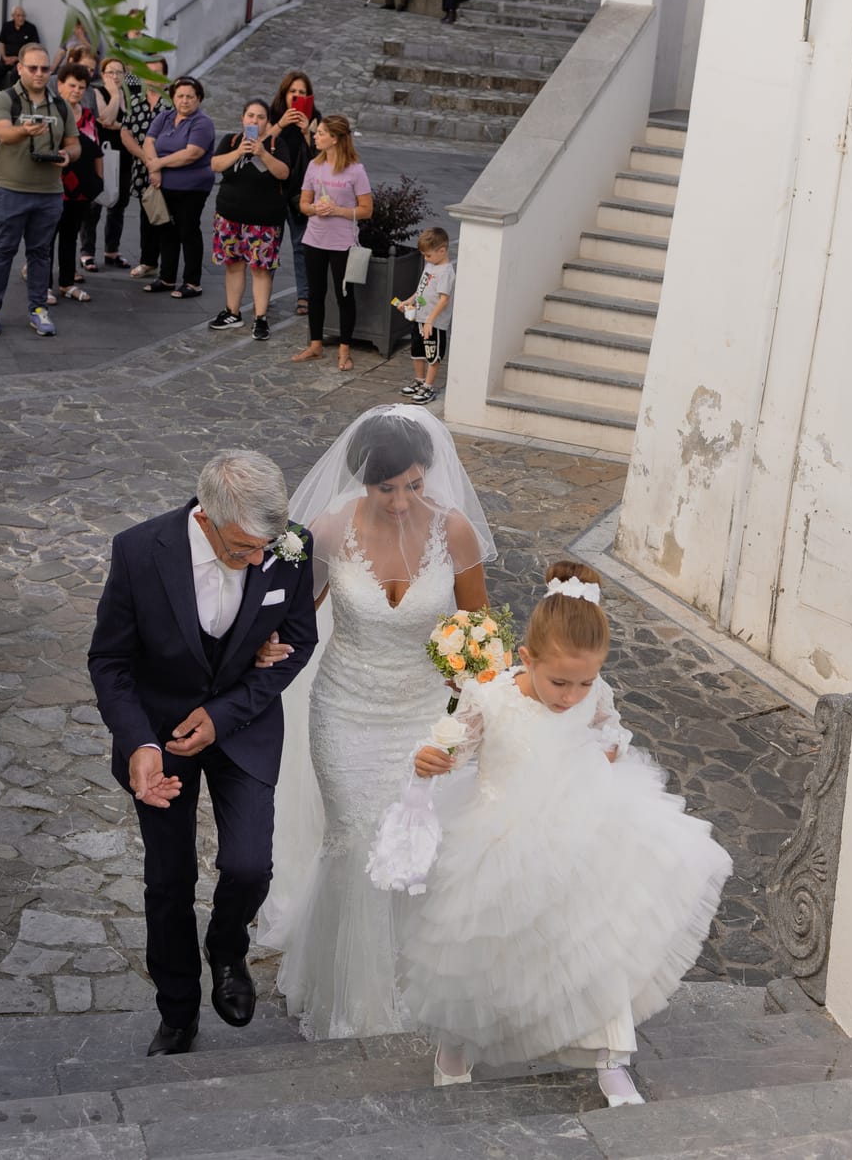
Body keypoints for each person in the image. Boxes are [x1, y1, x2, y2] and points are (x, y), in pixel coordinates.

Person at [402, 562, 732, 1105]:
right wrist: (431, 758)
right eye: (559, 682)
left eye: (584, 682)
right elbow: (454, 748)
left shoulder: (592, 693)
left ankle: (611, 1058)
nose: (571, 695)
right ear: (527, 658)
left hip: (577, 833)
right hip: (497, 838)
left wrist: (598, 755)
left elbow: (608, 733)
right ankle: (455, 1045)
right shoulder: (493, 696)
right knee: (479, 952)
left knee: (595, 942)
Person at [263, 407, 496, 1040]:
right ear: (362, 481)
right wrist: (263, 645)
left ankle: (415, 978)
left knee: (419, 839)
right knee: (360, 836)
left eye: (413, 485)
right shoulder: (328, 531)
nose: (400, 501)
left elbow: (476, 632)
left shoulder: (455, 533)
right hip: (344, 709)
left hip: (423, 712)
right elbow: (293, 615)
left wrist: (468, 705)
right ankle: (352, 996)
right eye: (386, 488)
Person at [88, 451, 319, 1057]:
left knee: (250, 866)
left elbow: (299, 641)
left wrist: (223, 715)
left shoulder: (289, 546)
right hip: (160, 735)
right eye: (243, 549)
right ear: (205, 519)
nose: (259, 560)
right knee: (169, 878)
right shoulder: (139, 552)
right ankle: (178, 1013)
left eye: (265, 548)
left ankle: (227, 946)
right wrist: (139, 743)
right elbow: (109, 661)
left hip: (243, 725)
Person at [0, 41, 77, 338]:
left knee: (40, 253)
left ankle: (38, 308)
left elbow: (74, 143)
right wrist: (25, 130)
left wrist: (69, 155)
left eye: (44, 68)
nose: (39, 73)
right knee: (2, 249)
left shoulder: (60, 104)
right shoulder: (4, 99)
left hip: (49, 190)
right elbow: (3, 133)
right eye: (32, 68)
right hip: (11, 187)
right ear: (20, 68)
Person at [206, 96, 302, 340]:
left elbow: (284, 173)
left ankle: (260, 318)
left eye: (260, 117)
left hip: (263, 220)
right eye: (250, 116)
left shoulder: (275, 144)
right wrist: (239, 151)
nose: (254, 121)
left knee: (260, 269)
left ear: (267, 122)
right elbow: (215, 165)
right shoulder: (231, 140)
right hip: (229, 215)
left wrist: (263, 153)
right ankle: (232, 312)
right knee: (233, 265)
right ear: (243, 118)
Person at [291, 115, 372, 370]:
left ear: (334, 138)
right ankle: (315, 345)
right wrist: (314, 209)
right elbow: (303, 204)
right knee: (315, 294)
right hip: (314, 239)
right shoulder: (314, 166)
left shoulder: (356, 170)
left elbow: (367, 209)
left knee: (344, 295)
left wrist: (339, 211)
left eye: (321, 133)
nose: (315, 136)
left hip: (343, 242)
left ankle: (344, 350)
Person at [142, 76, 215, 298]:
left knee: (188, 231)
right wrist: (154, 169)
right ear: (173, 97)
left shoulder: (202, 122)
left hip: (192, 187)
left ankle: (192, 282)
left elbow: (191, 153)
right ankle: (167, 278)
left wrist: (159, 163)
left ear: (199, 99)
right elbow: (148, 142)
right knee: (166, 231)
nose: (184, 100)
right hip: (163, 184)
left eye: (190, 97)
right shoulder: (164, 116)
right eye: (180, 96)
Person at [266, 70, 320, 317]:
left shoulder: (315, 118)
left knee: (301, 245)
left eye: (302, 93)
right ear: (284, 93)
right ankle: (263, 293)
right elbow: (261, 144)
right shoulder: (273, 115)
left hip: (300, 192)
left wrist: (307, 132)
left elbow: (319, 156)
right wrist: (281, 124)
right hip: (274, 191)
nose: (296, 97)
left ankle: (304, 295)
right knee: (270, 244)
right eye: (293, 92)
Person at [51, 61, 102, 305]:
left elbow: (97, 150)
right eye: (72, 85)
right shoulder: (51, 114)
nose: (77, 91)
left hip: (81, 188)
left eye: (81, 87)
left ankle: (67, 282)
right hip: (53, 185)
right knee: (46, 237)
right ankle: (43, 285)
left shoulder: (89, 115)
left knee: (70, 236)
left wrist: (99, 181)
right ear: (60, 85)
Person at [121, 57, 172, 281]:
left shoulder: (172, 103)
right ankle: (148, 261)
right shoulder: (135, 100)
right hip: (143, 168)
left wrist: (158, 163)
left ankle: (169, 267)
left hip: (169, 169)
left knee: (168, 218)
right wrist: (146, 159)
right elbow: (125, 132)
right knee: (147, 214)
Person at [86, 57, 131, 272]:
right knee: (94, 204)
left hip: (125, 153)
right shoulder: (98, 93)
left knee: (119, 204)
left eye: (119, 72)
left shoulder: (130, 95)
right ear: (103, 75)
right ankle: (87, 252)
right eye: (110, 72)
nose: (114, 76)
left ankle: (112, 250)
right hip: (101, 154)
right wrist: (114, 95)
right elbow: (105, 120)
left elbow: (131, 124)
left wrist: (120, 125)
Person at [401, 227, 455, 405]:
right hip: (419, 318)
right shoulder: (431, 265)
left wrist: (430, 320)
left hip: (434, 323)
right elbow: (421, 289)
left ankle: (429, 386)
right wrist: (409, 301)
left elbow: (444, 300)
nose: (425, 258)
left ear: (442, 251)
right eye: (424, 255)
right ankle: (419, 380)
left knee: (433, 354)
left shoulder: (446, 272)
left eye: (428, 255)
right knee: (417, 351)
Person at [0, 4, 43, 97]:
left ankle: (14, 100)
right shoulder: (7, 26)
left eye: (23, 16)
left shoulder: (31, 28)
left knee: (15, 74)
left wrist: (18, 58)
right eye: (18, 16)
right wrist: (4, 57)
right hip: (7, 59)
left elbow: (34, 48)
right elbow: (1, 43)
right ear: (13, 16)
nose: (21, 18)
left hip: (22, 61)